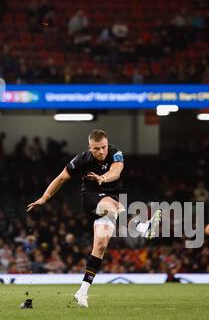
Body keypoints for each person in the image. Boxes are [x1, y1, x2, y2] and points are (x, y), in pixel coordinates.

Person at [27, 129, 161, 307]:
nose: (101, 151)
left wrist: (102, 178)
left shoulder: (116, 154)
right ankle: (144, 228)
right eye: (96, 148)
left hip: (111, 199)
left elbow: (116, 172)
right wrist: (44, 198)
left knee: (100, 246)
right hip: (91, 199)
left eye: (103, 147)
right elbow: (60, 179)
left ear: (107, 144)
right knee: (115, 206)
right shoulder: (81, 160)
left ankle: (82, 292)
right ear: (90, 147)